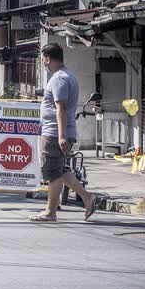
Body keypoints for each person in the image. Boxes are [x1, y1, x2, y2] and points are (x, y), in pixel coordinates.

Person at [30, 43, 96, 223]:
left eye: (43, 59)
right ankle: (87, 197)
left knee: (52, 173)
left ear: (48, 58)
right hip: (60, 131)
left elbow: (61, 108)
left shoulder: (59, 78)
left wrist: (60, 136)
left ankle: (50, 212)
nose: (43, 62)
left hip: (54, 133)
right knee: (60, 170)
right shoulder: (68, 76)